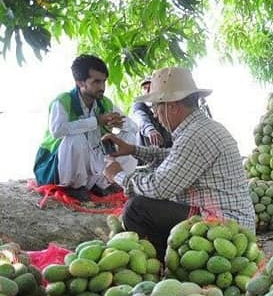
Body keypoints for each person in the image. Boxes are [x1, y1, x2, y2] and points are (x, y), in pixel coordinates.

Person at [101, 67, 255, 258]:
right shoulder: (200, 128)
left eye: (157, 107)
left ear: (172, 107)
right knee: (151, 203)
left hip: (226, 229)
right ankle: (173, 259)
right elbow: (174, 156)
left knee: (137, 208)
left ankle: (159, 265)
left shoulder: (196, 135)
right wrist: (133, 149)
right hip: (230, 222)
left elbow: (160, 187)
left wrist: (119, 176)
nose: (155, 114)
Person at [33, 54, 138, 200]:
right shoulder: (63, 101)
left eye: (104, 82)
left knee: (129, 137)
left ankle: (105, 183)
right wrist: (96, 121)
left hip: (93, 160)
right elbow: (57, 131)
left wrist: (117, 127)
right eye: (96, 82)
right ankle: (75, 187)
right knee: (76, 138)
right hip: (56, 166)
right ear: (80, 82)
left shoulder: (104, 103)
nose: (102, 87)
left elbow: (133, 126)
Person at [131, 76, 172, 148]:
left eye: (150, 87)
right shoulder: (139, 105)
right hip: (147, 151)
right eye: (145, 88)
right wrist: (150, 130)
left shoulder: (164, 104)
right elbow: (140, 118)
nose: (147, 90)